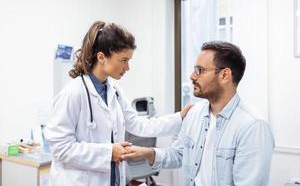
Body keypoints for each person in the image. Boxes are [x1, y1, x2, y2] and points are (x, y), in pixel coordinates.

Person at [45, 21, 192, 186]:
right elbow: (60, 148)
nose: (127, 67)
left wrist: (180, 117)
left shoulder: (114, 91)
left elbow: (138, 125)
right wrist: (108, 153)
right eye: (123, 60)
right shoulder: (73, 93)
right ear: (101, 57)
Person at [122, 41, 275, 186]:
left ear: (225, 75)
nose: (192, 76)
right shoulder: (195, 113)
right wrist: (147, 153)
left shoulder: (253, 126)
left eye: (200, 70)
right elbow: (179, 154)